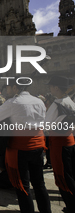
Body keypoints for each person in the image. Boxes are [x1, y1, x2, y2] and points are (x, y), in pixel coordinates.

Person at [0, 78, 51, 213]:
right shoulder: (39, 101)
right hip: (39, 146)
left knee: (23, 186)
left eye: (8, 87)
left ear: (15, 88)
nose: (7, 90)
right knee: (40, 185)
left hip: (20, 148)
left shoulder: (12, 102)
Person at [44, 76, 75, 213]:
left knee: (62, 175)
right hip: (70, 141)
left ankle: (71, 205)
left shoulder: (57, 104)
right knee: (70, 174)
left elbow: (46, 125)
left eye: (51, 86)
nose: (50, 89)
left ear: (56, 87)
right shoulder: (70, 101)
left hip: (59, 143)